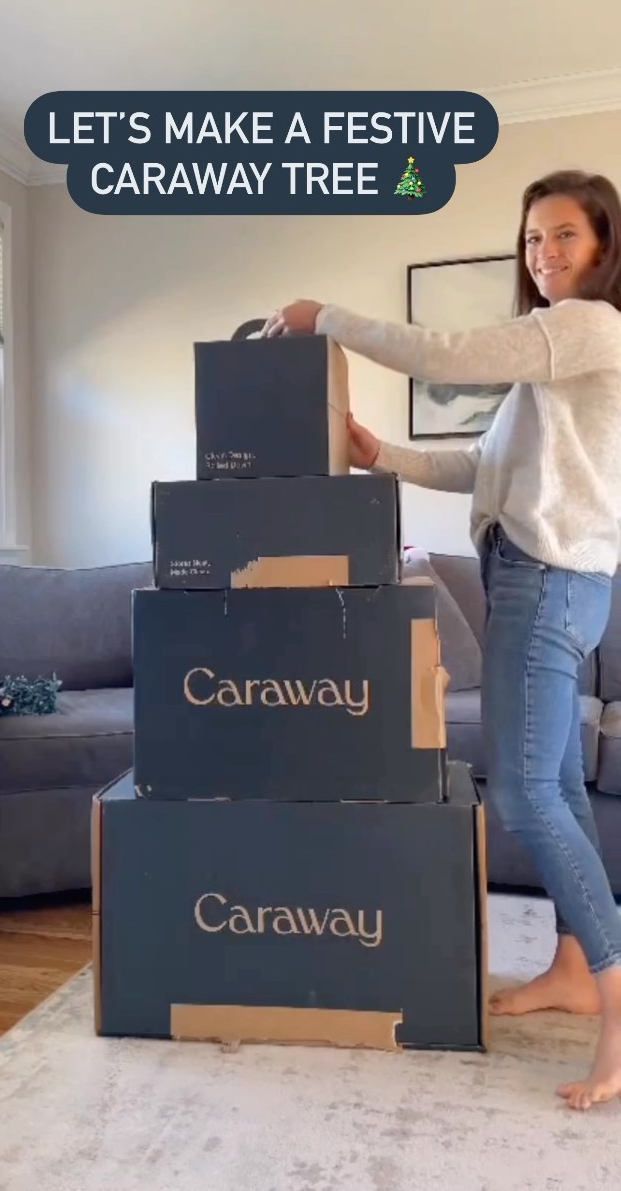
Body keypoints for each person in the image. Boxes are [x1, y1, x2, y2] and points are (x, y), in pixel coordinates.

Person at [262, 169, 621, 1111]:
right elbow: (480, 465)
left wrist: (324, 316)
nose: (544, 253)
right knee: (556, 787)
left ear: (604, 245)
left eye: (565, 235)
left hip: (549, 581)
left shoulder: (589, 325)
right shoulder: (558, 361)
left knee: (526, 795)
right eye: (534, 238)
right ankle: (574, 970)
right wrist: (381, 454)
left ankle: (618, 1000)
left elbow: (443, 351)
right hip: (551, 580)